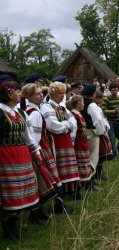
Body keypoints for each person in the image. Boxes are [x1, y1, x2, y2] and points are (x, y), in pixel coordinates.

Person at [22, 83, 72, 217]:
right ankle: (37, 211)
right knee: (45, 179)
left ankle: (42, 210)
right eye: (38, 94)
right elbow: (33, 137)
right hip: (40, 148)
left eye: (41, 93)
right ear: (30, 97)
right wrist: (37, 151)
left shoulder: (34, 110)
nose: (41, 96)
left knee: (47, 179)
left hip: (41, 147)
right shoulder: (34, 113)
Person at [0, 81, 40, 240]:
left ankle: (14, 221)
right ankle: (7, 225)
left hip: (22, 155)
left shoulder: (21, 112)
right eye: (17, 91)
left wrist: (36, 150)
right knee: (9, 191)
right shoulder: (0, 112)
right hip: (5, 156)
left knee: (21, 189)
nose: (20, 94)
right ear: (9, 94)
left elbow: (28, 135)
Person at [40, 82, 81, 199]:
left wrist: (65, 125)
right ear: (52, 93)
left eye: (63, 93)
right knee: (58, 169)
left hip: (65, 141)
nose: (62, 96)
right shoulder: (46, 106)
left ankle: (69, 192)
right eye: (59, 93)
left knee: (68, 168)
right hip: (56, 142)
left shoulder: (61, 107)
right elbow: (53, 126)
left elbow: (73, 122)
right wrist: (67, 125)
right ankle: (59, 196)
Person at [66, 95, 96, 186]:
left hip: (83, 143)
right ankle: (82, 183)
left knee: (85, 162)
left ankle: (86, 181)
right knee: (80, 163)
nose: (83, 104)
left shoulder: (78, 114)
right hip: (78, 143)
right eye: (82, 102)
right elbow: (73, 132)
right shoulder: (73, 115)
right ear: (78, 103)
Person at [81, 84, 107, 189]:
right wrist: (101, 132)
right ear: (94, 93)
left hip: (83, 132)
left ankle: (87, 180)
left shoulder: (82, 102)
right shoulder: (92, 105)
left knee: (87, 156)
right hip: (91, 132)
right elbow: (99, 120)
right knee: (93, 158)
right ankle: (89, 181)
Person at [102, 82, 119, 160]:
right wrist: (114, 111)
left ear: (118, 90)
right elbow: (104, 110)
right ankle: (114, 155)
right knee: (112, 139)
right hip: (110, 122)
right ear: (110, 91)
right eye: (113, 90)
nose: (114, 92)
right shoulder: (106, 99)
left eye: (116, 90)